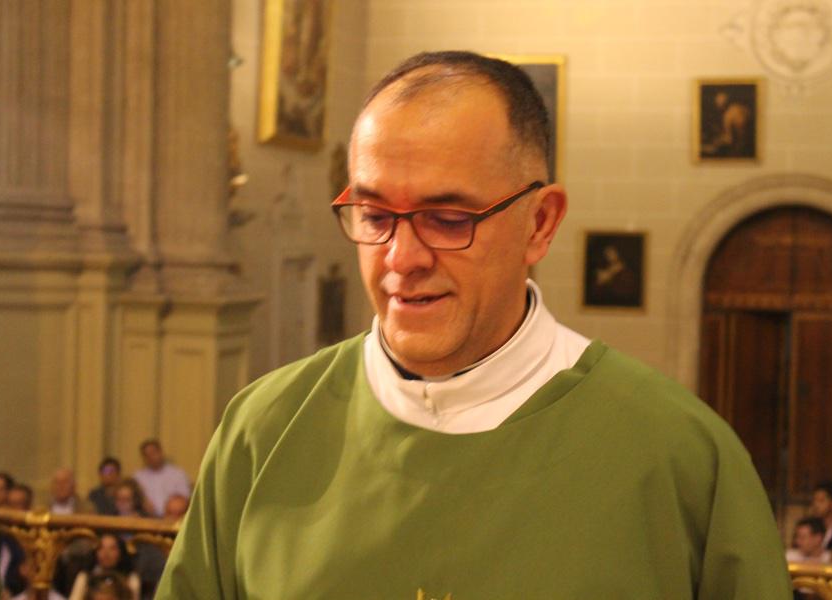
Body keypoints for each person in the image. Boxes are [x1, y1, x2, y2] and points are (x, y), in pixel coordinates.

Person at [156, 51, 791, 598]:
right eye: (375, 215)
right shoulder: (263, 429)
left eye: (448, 218)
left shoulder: (679, 455)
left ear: (540, 224)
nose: (402, 259)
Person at [69, 534, 140, 600]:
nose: (106, 553)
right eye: (101, 548)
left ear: (121, 552)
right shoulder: (85, 576)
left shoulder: (130, 578)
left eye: (112, 548)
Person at [133, 440, 190, 518]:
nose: (151, 457)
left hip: (173, 519)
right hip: (146, 518)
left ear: (161, 452)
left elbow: (184, 498)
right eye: (147, 455)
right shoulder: (138, 477)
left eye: (153, 453)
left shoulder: (178, 474)